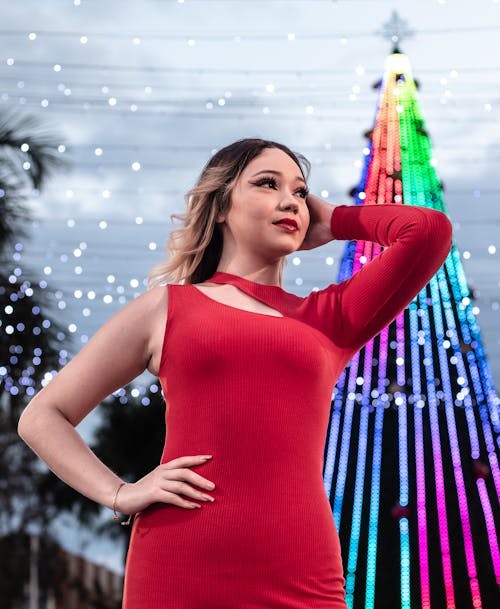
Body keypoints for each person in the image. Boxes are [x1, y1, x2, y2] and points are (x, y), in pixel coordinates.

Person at [18, 138, 453, 608]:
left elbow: (428, 232)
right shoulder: (166, 307)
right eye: (267, 184)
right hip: (182, 562)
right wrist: (120, 493)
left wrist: (335, 220)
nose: (290, 200)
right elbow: (44, 416)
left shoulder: (332, 317)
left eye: (301, 192)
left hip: (302, 571)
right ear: (221, 204)